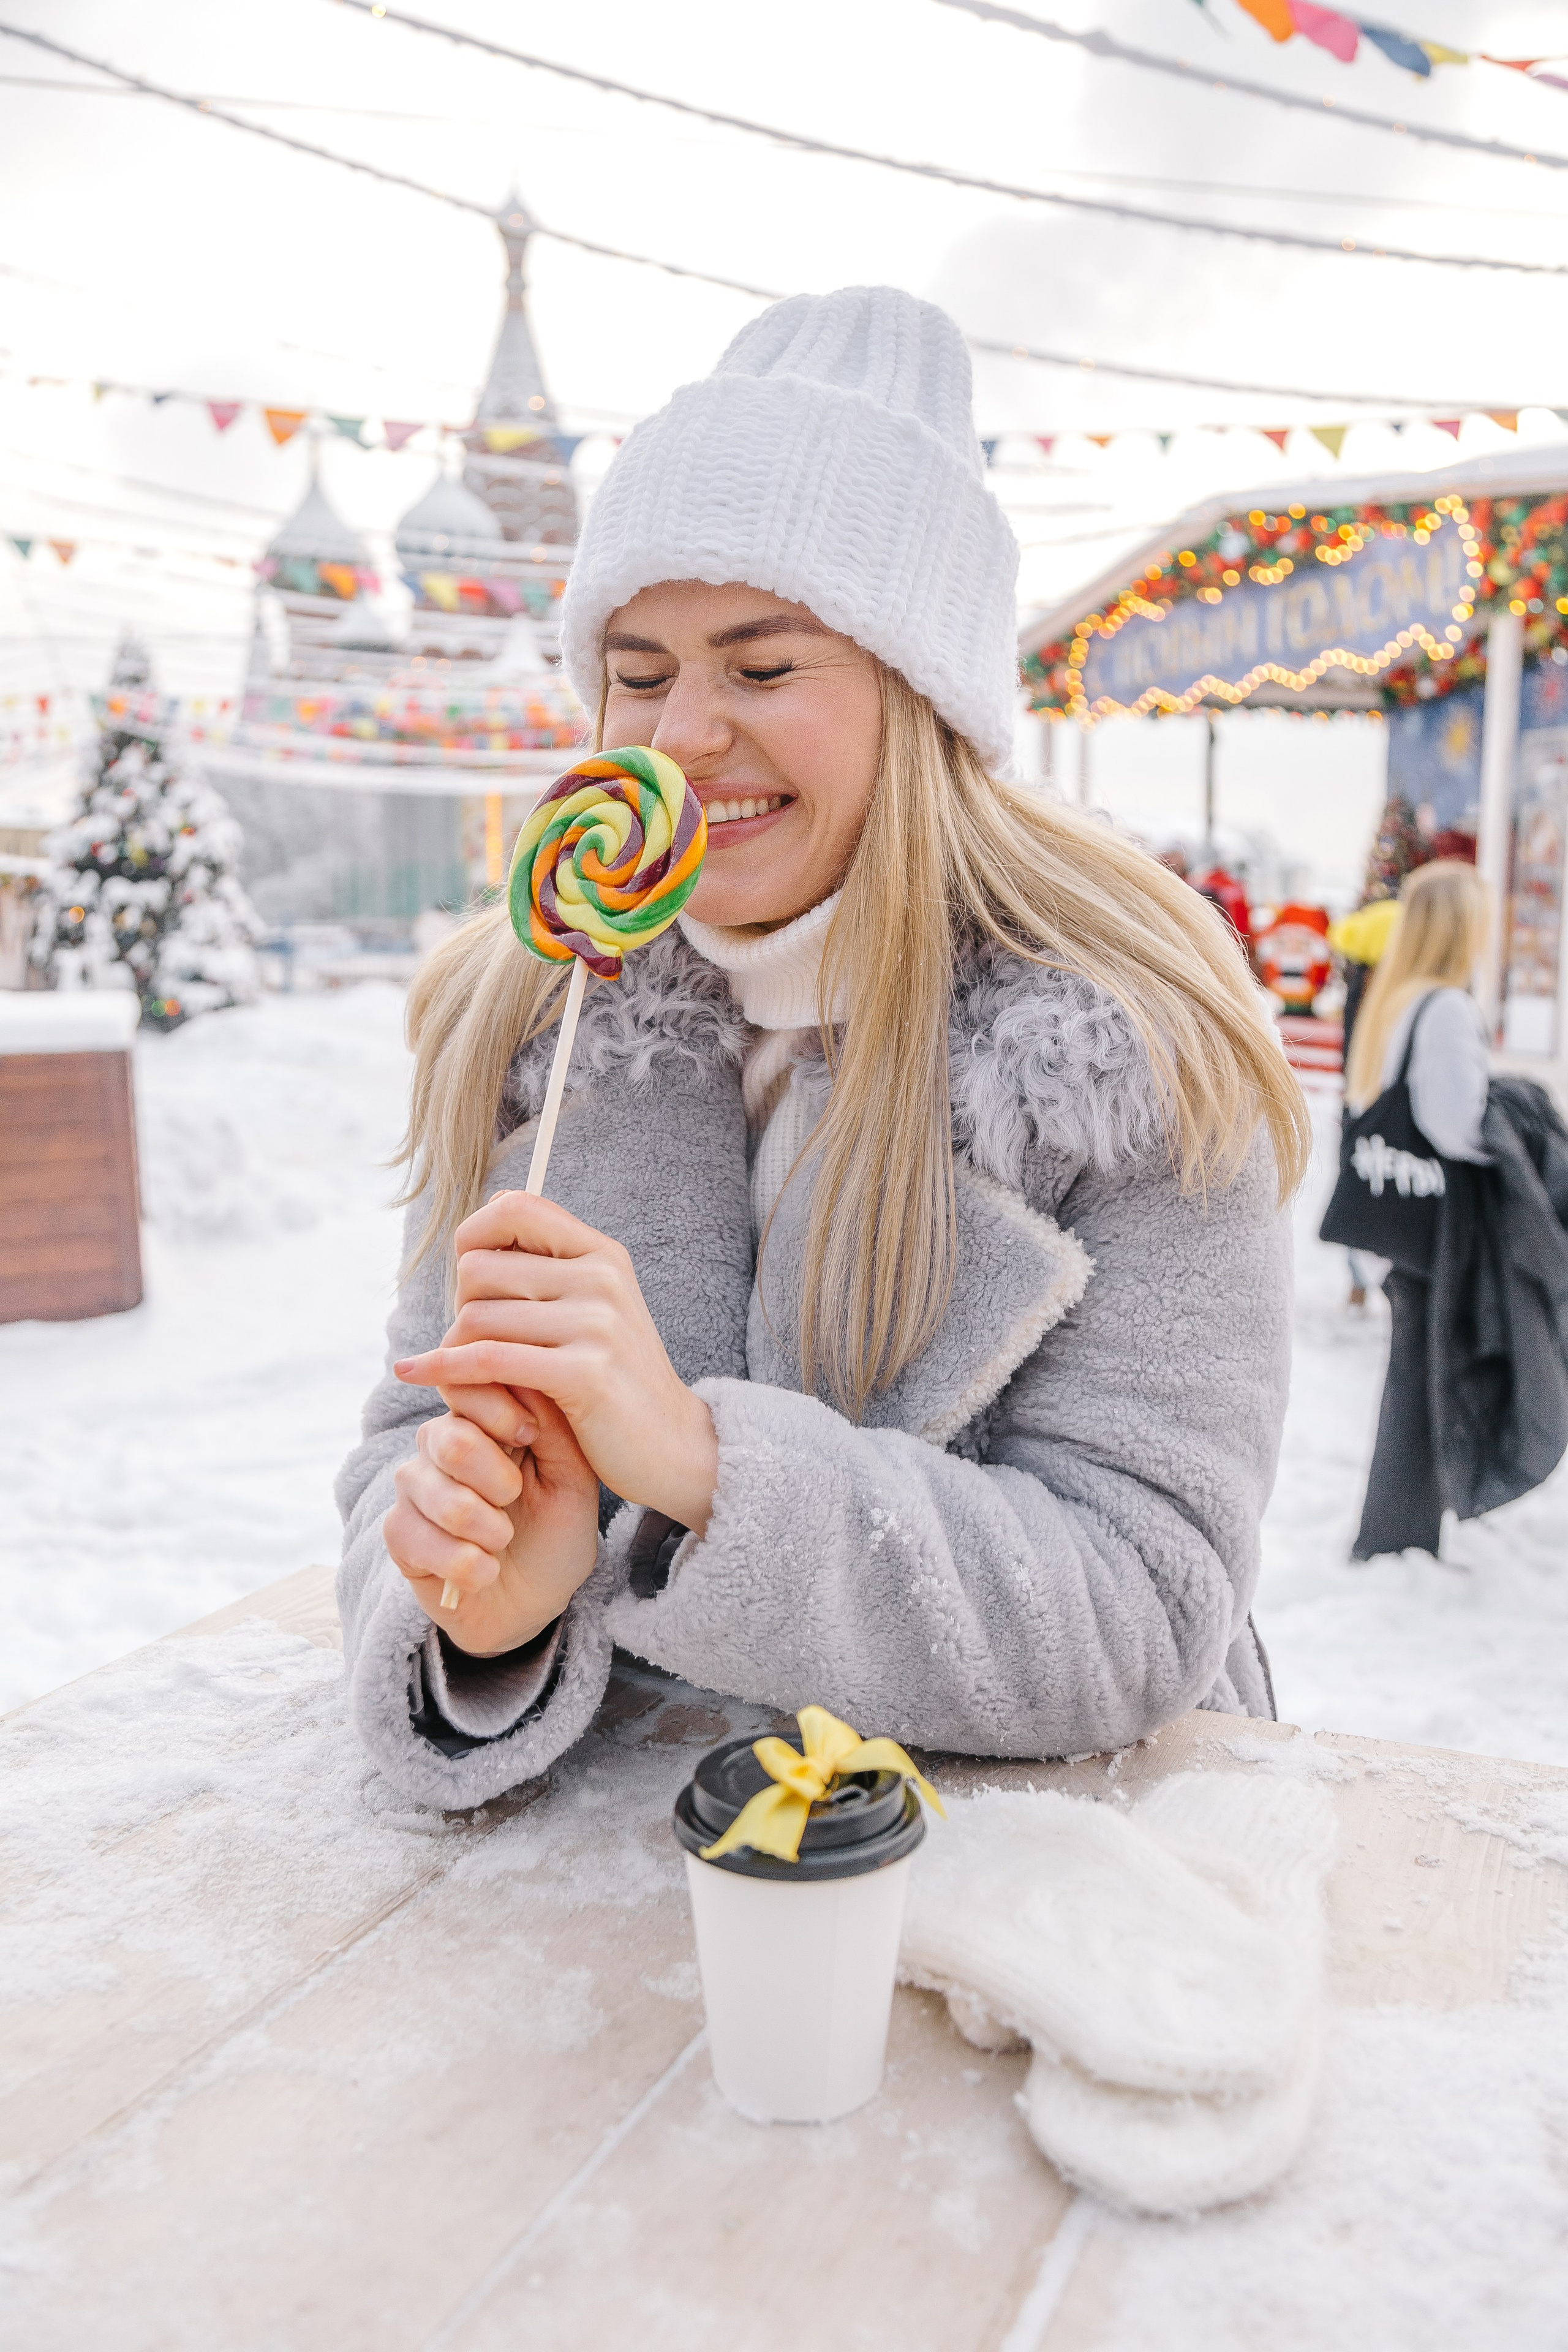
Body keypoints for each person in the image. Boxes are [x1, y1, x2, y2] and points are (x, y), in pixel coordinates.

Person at [335, 286, 1312, 1809]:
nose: (683, 735)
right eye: (641, 674)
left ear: (917, 688)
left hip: (1046, 1875)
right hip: (627, 1896)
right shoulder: (533, 1022)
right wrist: (482, 1616)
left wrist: (701, 1469)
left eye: (762, 664)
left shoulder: (1132, 1048)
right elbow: (414, 1439)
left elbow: (1140, 1598)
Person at [1340, 861, 1492, 1559]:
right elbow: (1457, 1122)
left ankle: (1397, 1532)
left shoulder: (1391, 998)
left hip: (1393, 1220)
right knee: (1422, 1376)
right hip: (1435, 1222)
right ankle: (1398, 1537)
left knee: (1410, 1369)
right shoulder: (1448, 1007)